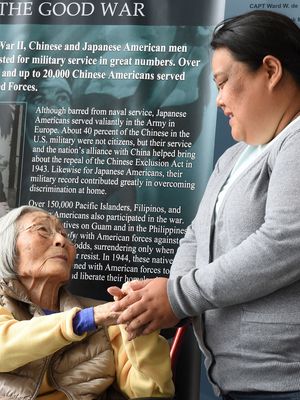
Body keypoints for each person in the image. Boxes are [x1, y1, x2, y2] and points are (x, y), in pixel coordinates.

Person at [109, 10, 300, 399]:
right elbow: (196, 235)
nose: (219, 100)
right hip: (235, 384)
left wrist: (178, 295)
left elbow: (285, 242)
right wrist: (164, 298)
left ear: (270, 70)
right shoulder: (234, 158)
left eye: (225, 83)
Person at [0, 205, 174, 399]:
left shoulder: (108, 320)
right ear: (8, 246)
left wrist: (138, 318)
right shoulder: (98, 315)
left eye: (64, 233)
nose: (61, 240)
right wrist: (85, 319)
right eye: (42, 230)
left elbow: (152, 392)